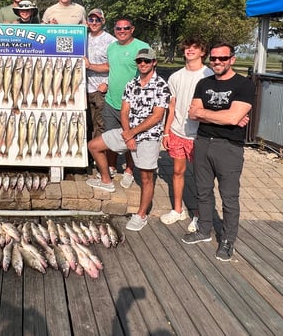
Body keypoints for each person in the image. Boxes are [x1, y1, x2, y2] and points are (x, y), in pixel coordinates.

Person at [182, 42, 255, 262]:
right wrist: (226, 115)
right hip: (203, 142)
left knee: (229, 197)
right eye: (214, 58)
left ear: (232, 59)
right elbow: (193, 114)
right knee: (202, 191)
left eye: (222, 58)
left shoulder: (244, 85)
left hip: (229, 147)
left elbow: (232, 118)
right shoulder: (204, 83)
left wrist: (210, 113)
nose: (217, 62)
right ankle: (204, 230)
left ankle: (227, 239)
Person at [87, 48, 170, 232]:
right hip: (128, 132)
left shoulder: (162, 86)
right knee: (94, 146)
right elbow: (124, 111)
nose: (142, 64)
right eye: (140, 61)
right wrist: (127, 133)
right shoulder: (131, 84)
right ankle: (107, 181)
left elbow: (157, 117)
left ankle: (141, 215)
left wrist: (132, 134)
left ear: (154, 63)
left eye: (146, 61)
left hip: (149, 136)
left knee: (146, 177)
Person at [160, 37, 214, 233]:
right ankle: (177, 209)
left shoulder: (208, 74)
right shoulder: (175, 77)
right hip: (176, 131)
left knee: (201, 177)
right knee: (177, 172)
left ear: (202, 52)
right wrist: (166, 132)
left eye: (195, 47)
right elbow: (171, 106)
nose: (190, 50)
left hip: (200, 133)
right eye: (187, 47)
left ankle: (199, 215)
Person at [103, 17, 149, 185]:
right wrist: (90, 65)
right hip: (111, 100)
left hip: (132, 104)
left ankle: (129, 169)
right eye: (118, 29)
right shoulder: (112, 47)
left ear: (132, 29)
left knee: (130, 136)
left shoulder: (142, 47)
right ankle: (112, 166)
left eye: (125, 28)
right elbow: (110, 67)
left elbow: (149, 73)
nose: (122, 31)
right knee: (109, 137)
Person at [83, 9, 116, 145]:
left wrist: (107, 83)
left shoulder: (111, 41)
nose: (94, 22)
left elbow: (113, 66)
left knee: (100, 125)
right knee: (85, 124)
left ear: (103, 21)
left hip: (100, 89)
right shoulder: (82, 37)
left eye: (97, 19)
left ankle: (98, 158)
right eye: (91, 19)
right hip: (83, 88)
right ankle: (88, 157)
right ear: (87, 21)